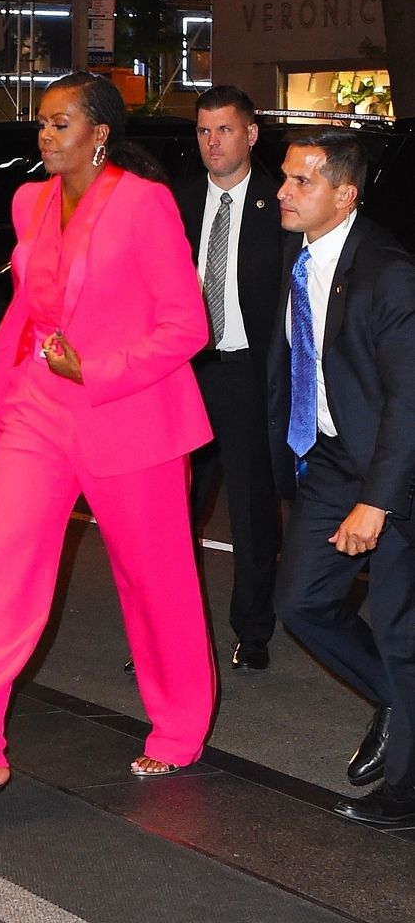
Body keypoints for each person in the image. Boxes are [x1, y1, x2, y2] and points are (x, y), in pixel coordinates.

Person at [0, 71, 217, 821]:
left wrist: (98, 369)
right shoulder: (30, 201)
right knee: (5, 572)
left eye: (61, 124)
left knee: (156, 585)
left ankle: (181, 726)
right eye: (42, 124)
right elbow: (28, 308)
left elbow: (188, 325)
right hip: (40, 413)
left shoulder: (145, 203)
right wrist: (7, 394)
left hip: (131, 416)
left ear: (99, 133)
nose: (45, 136)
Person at [269, 130, 415, 825]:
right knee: (299, 601)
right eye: (285, 179)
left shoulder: (389, 271)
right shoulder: (300, 259)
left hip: (397, 470)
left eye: (301, 181)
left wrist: (376, 503)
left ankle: (407, 792)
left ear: (345, 194)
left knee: (397, 625)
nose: (283, 192)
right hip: (331, 456)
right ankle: (400, 702)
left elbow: (409, 402)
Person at [173, 85, 283, 671]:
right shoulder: (180, 199)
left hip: (245, 374)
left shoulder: (279, 204)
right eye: (204, 131)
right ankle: (169, 632)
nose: (213, 143)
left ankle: (253, 631)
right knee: (172, 508)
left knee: (250, 510)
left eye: (225, 130)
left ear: (251, 134)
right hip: (185, 373)